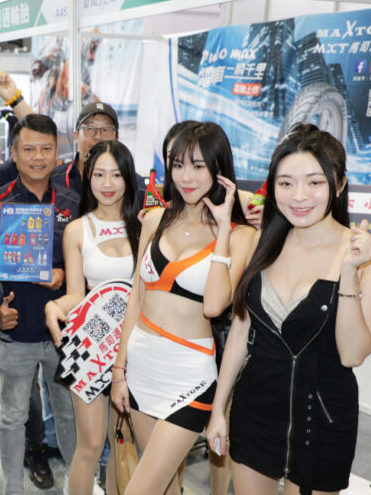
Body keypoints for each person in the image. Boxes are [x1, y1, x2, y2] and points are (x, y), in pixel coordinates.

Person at [206, 124, 371, 495]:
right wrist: (218, 410)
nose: (299, 196)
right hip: (253, 411)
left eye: (314, 182)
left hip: (321, 421)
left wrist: (348, 273)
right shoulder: (264, 242)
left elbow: (352, 353)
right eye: (286, 183)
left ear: (339, 185)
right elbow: (241, 332)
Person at [110, 121, 255, 494]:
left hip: (189, 375)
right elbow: (136, 298)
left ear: (219, 169)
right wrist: (119, 370)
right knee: (166, 488)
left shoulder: (242, 236)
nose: (186, 177)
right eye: (177, 165)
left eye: (198, 166)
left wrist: (223, 229)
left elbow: (215, 305)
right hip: (140, 364)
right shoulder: (155, 219)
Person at [0, 114, 79, 495]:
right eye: (29, 149)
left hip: (64, 334)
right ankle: (13, 489)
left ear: (57, 153)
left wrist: (64, 273)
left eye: (46, 149)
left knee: (68, 413)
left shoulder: (73, 203)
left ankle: (78, 485)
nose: (38, 157)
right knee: (13, 416)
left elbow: (89, 262)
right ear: (14, 154)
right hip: (14, 332)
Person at [43, 140, 141, 495]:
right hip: (91, 345)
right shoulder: (77, 229)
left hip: (136, 346)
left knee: (124, 440)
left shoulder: (144, 225)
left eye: (116, 174)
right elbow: (76, 295)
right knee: (90, 444)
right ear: (88, 178)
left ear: (128, 178)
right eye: (99, 174)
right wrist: (53, 306)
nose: (107, 183)